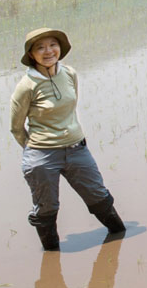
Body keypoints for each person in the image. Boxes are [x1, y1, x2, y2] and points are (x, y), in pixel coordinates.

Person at [10, 28, 125, 251]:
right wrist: (37, 151)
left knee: (99, 197)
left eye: (53, 44)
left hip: (77, 150)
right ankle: (52, 255)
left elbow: (71, 109)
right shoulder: (27, 86)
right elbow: (16, 128)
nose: (48, 51)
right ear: (31, 55)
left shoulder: (69, 74)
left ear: (60, 48)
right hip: (42, 155)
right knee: (46, 209)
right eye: (40, 47)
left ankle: (119, 242)